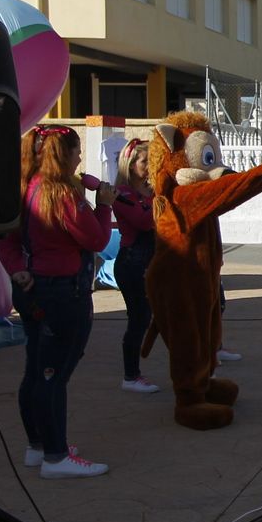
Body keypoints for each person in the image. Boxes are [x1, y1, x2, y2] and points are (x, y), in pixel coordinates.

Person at [0, 125, 114, 479]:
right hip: (63, 294)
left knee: (36, 368)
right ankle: (56, 456)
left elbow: (5, 240)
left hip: (33, 290)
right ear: (62, 154)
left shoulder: (24, 188)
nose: (81, 157)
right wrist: (103, 206)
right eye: (77, 151)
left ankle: (39, 445)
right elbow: (95, 239)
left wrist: (17, 270)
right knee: (53, 374)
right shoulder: (60, 194)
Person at [111, 138, 158, 395]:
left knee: (150, 317)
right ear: (130, 165)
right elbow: (143, 221)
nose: (150, 166)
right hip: (132, 264)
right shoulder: (122, 194)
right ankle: (130, 375)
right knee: (139, 319)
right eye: (144, 161)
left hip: (150, 262)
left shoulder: (151, 192)